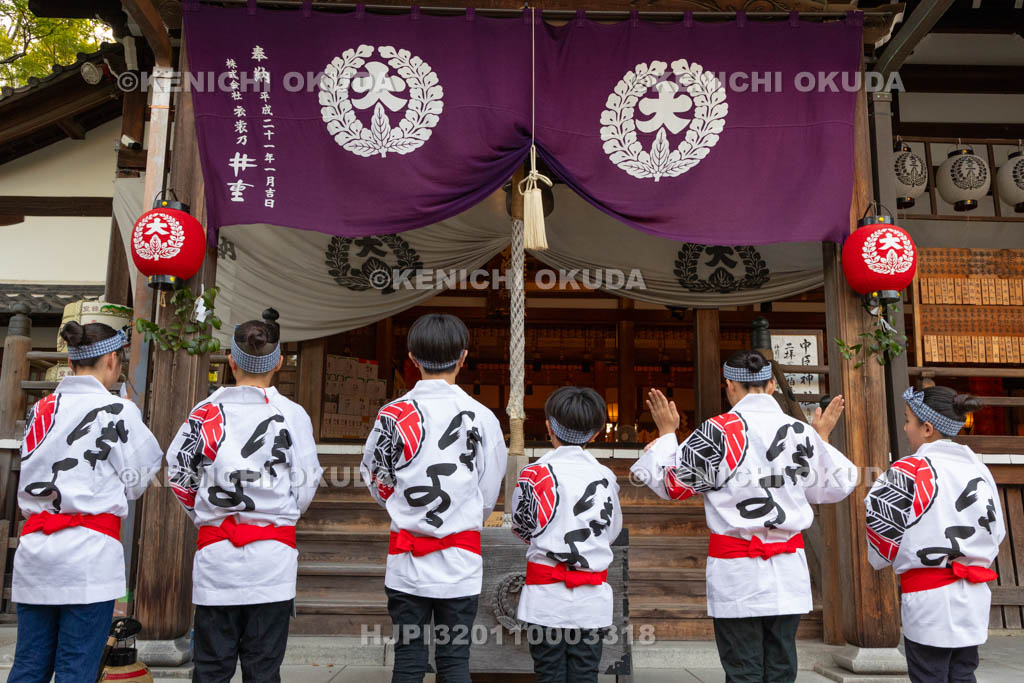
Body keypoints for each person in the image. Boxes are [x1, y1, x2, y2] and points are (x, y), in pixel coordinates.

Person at [631, 349, 856, 683]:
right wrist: (820, 438)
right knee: (782, 664)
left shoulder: (717, 432)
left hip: (735, 569)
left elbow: (674, 485)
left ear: (730, 387)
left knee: (742, 667)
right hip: (787, 566)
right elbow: (838, 485)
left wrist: (667, 433)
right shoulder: (799, 432)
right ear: (770, 387)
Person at [166, 319, 322, 682]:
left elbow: (178, 472)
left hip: (217, 555)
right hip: (271, 558)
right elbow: (306, 483)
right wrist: (283, 512)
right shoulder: (291, 415)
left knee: (211, 667)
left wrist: (205, 516)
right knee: (263, 669)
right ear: (279, 362)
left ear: (231, 362)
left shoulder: (204, 413)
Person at [9, 321, 163, 682]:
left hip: (36, 548)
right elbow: (140, 478)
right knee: (77, 665)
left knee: (30, 663)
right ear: (112, 360)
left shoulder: (41, 408)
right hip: (89, 554)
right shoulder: (117, 410)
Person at [360, 313, 507, 683]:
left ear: (411, 358)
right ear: (463, 357)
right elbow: (488, 493)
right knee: (455, 661)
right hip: (460, 562)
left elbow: (377, 478)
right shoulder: (482, 417)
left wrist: (402, 506)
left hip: (407, 559)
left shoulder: (392, 415)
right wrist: (466, 511)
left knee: (408, 660)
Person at [866, 386, 1005, 683]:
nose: (905, 429)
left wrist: (881, 559)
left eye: (908, 421)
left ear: (927, 428)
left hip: (929, 596)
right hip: (973, 594)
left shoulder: (909, 469)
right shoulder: (980, 471)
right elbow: (998, 532)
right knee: (963, 674)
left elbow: (880, 521)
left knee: (929, 674)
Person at [511, 386, 622, 683]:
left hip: (545, 596)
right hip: (591, 597)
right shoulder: (606, 477)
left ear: (548, 426)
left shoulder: (534, 474)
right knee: (586, 674)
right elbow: (611, 532)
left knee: (548, 673)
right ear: (596, 433)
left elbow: (523, 528)